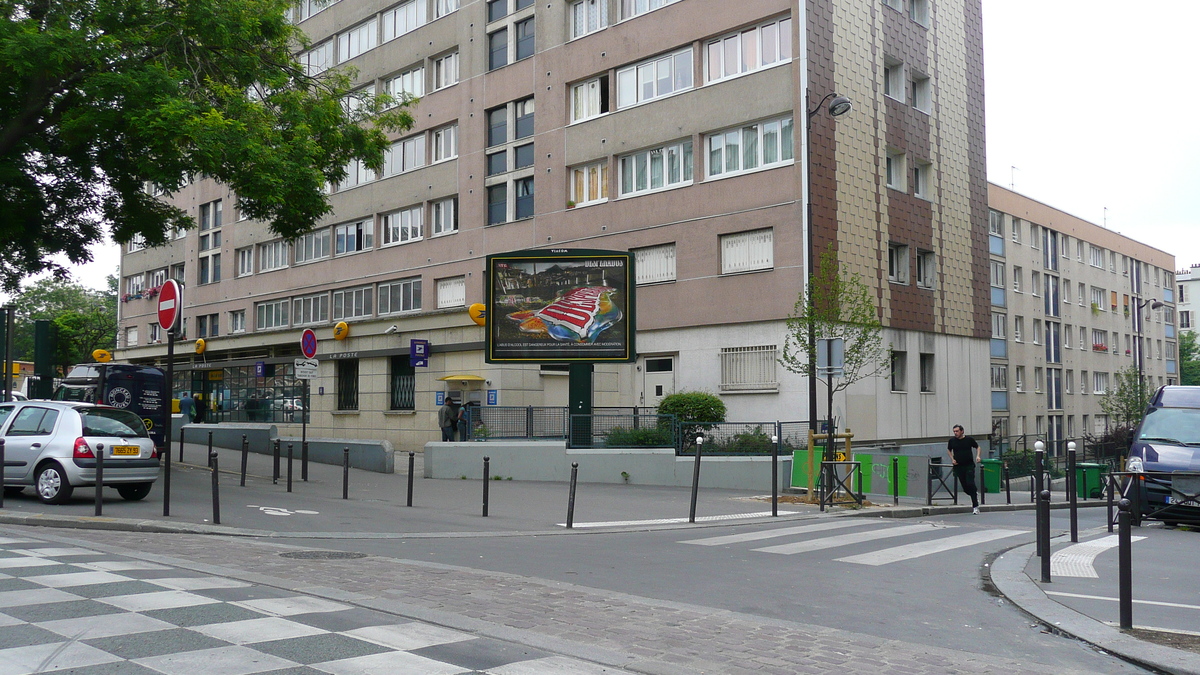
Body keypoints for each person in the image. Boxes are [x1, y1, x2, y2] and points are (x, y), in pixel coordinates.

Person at [947, 424, 982, 514]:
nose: (955, 433)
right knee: (965, 488)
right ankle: (974, 493)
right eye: (954, 431)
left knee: (970, 483)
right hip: (958, 466)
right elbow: (949, 450)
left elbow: (977, 447)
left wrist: (978, 456)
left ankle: (975, 507)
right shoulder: (952, 441)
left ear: (962, 431)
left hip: (969, 465)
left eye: (957, 431)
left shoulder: (969, 440)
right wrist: (952, 459)